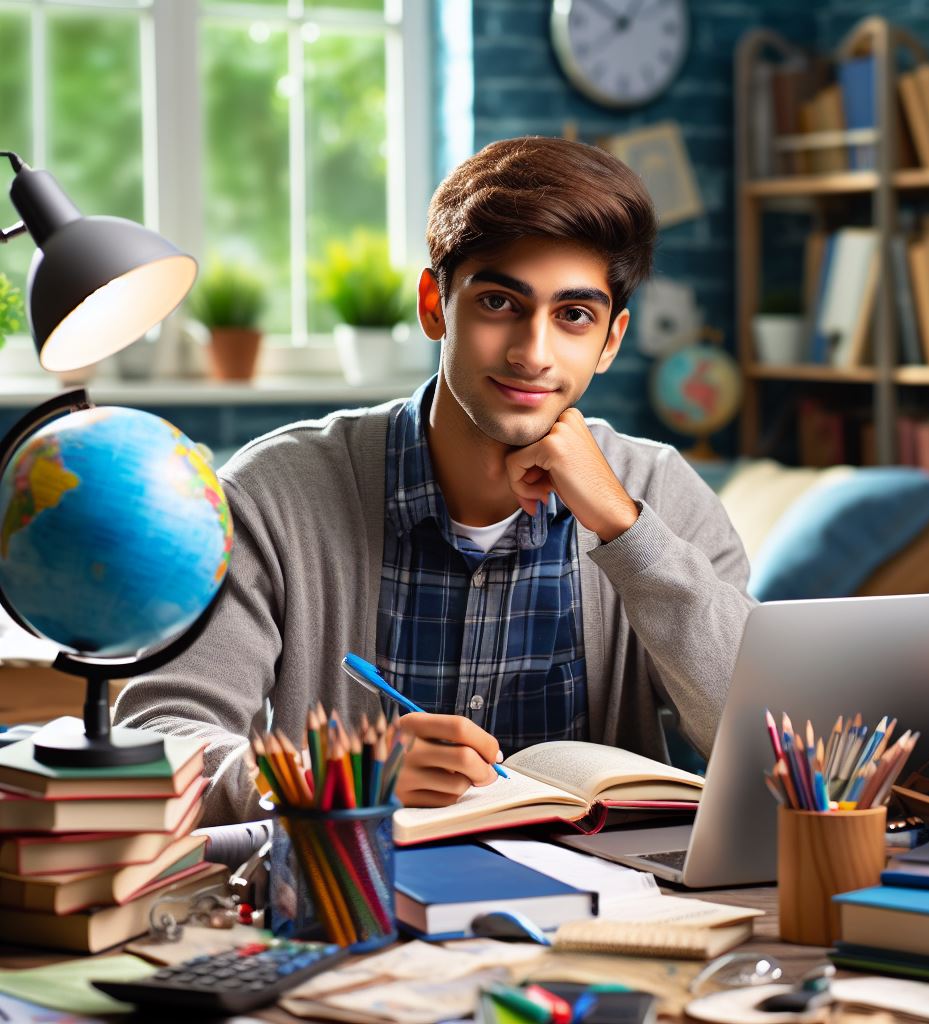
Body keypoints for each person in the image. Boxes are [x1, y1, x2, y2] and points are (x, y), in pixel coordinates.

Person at [114, 136, 755, 825]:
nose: (532, 353)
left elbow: (760, 744)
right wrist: (342, 775)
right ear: (434, 305)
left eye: (573, 316)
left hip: (607, 917)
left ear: (611, 341)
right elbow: (156, 741)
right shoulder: (273, 494)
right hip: (362, 908)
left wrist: (628, 532)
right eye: (500, 303)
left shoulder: (659, 491)